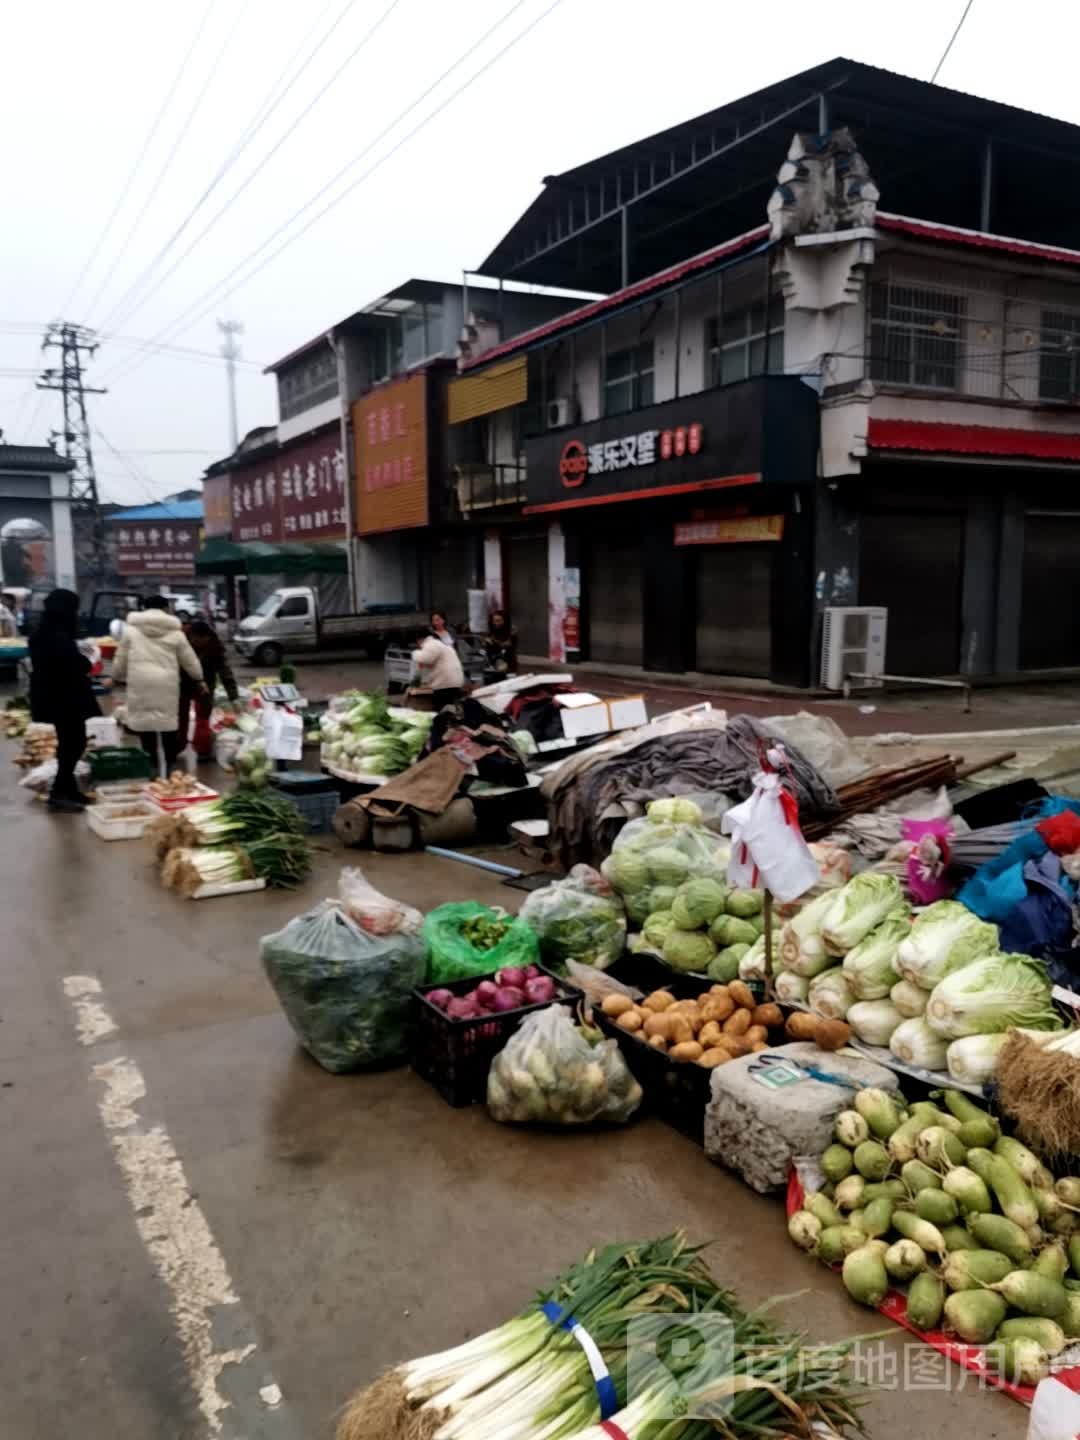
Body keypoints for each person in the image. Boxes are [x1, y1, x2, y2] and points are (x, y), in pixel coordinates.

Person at [112, 596, 205, 772]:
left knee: (145, 725)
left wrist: (117, 677)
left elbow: (120, 659)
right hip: (166, 683)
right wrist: (199, 679)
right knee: (167, 724)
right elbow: (189, 660)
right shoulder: (175, 633)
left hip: (140, 683)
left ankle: (153, 766)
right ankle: (169, 766)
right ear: (165, 609)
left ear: (144, 608)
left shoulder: (131, 632)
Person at [27, 588, 100, 811]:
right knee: (73, 743)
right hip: (62, 697)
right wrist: (88, 661)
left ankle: (68, 789)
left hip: (56, 695)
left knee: (71, 743)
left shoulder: (46, 630)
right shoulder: (54, 634)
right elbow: (69, 663)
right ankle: (59, 792)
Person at [179, 618, 239, 760]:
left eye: (202, 640)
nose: (198, 642)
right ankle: (177, 746)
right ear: (190, 636)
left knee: (203, 718)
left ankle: (203, 750)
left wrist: (233, 696)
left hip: (206, 685)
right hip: (182, 684)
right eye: (195, 639)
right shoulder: (180, 641)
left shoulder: (215, 646)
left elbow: (225, 671)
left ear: (208, 637)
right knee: (181, 717)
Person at [412, 628, 465, 709]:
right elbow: (430, 664)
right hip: (454, 681)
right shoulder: (442, 645)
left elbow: (425, 658)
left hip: (445, 683)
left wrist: (415, 653)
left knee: (440, 710)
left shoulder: (431, 644)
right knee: (448, 708)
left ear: (420, 639)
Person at [484, 609, 518, 675]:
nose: (496, 623)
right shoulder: (491, 632)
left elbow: (507, 644)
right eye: (494, 621)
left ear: (504, 621)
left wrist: (493, 641)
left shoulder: (511, 632)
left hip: (508, 664)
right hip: (493, 665)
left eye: (498, 621)